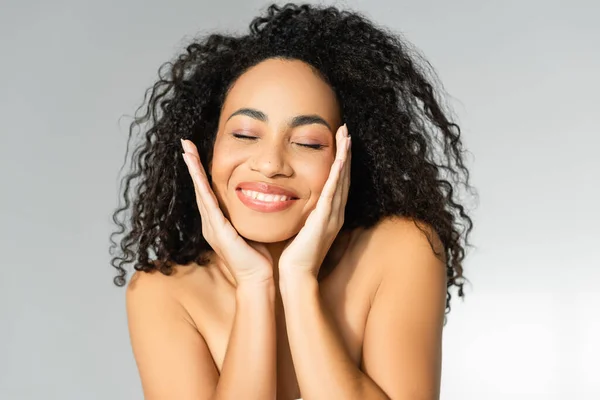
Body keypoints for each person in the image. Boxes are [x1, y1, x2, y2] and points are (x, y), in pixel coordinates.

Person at [109, 3, 476, 399]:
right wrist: (255, 285)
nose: (269, 164)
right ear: (208, 145)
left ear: (347, 156)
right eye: (246, 134)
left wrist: (299, 282)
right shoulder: (162, 292)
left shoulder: (400, 250)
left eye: (307, 142)